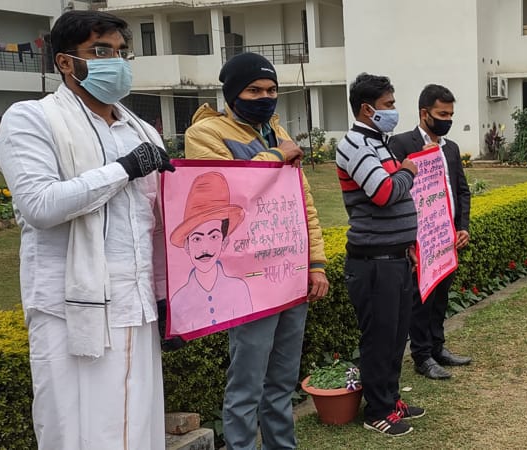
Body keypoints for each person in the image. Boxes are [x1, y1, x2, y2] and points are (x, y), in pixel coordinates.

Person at [0, 10, 173, 449]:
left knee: (136, 426)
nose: (117, 62)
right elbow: (40, 205)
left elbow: (156, 222)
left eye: (122, 53)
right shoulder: (32, 119)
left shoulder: (141, 131)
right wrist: (123, 170)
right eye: (101, 51)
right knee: (74, 429)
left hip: (136, 305)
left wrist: (169, 294)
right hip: (69, 310)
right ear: (65, 62)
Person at [183, 52, 330, 449]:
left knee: (282, 381)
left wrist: (316, 262)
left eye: (271, 90)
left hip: (290, 272)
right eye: (254, 90)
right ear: (232, 94)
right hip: (247, 278)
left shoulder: (276, 130)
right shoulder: (205, 134)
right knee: (246, 385)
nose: (265, 97)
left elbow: (302, 203)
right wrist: (278, 157)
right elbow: (225, 194)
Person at [336, 73, 425, 436]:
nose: (393, 111)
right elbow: (384, 192)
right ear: (366, 109)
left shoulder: (379, 143)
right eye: (388, 105)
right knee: (379, 338)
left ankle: (390, 399)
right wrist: (407, 172)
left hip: (395, 258)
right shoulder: (355, 145)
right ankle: (377, 410)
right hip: (373, 262)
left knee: (396, 335)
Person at [388, 84, 473, 380]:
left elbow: (461, 190)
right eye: (442, 114)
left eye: (450, 114)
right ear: (425, 113)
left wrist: (463, 227)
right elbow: (397, 189)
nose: (447, 119)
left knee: (441, 297)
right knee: (421, 300)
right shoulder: (401, 144)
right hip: (420, 239)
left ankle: (438, 347)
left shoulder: (451, 148)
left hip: (447, 237)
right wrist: (422, 161)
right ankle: (422, 355)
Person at [168, 172, 252, 334]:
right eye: (197, 239)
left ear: (224, 241)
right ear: (186, 245)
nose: (205, 248)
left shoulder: (239, 289)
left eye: (214, 236)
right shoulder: (179, 300)